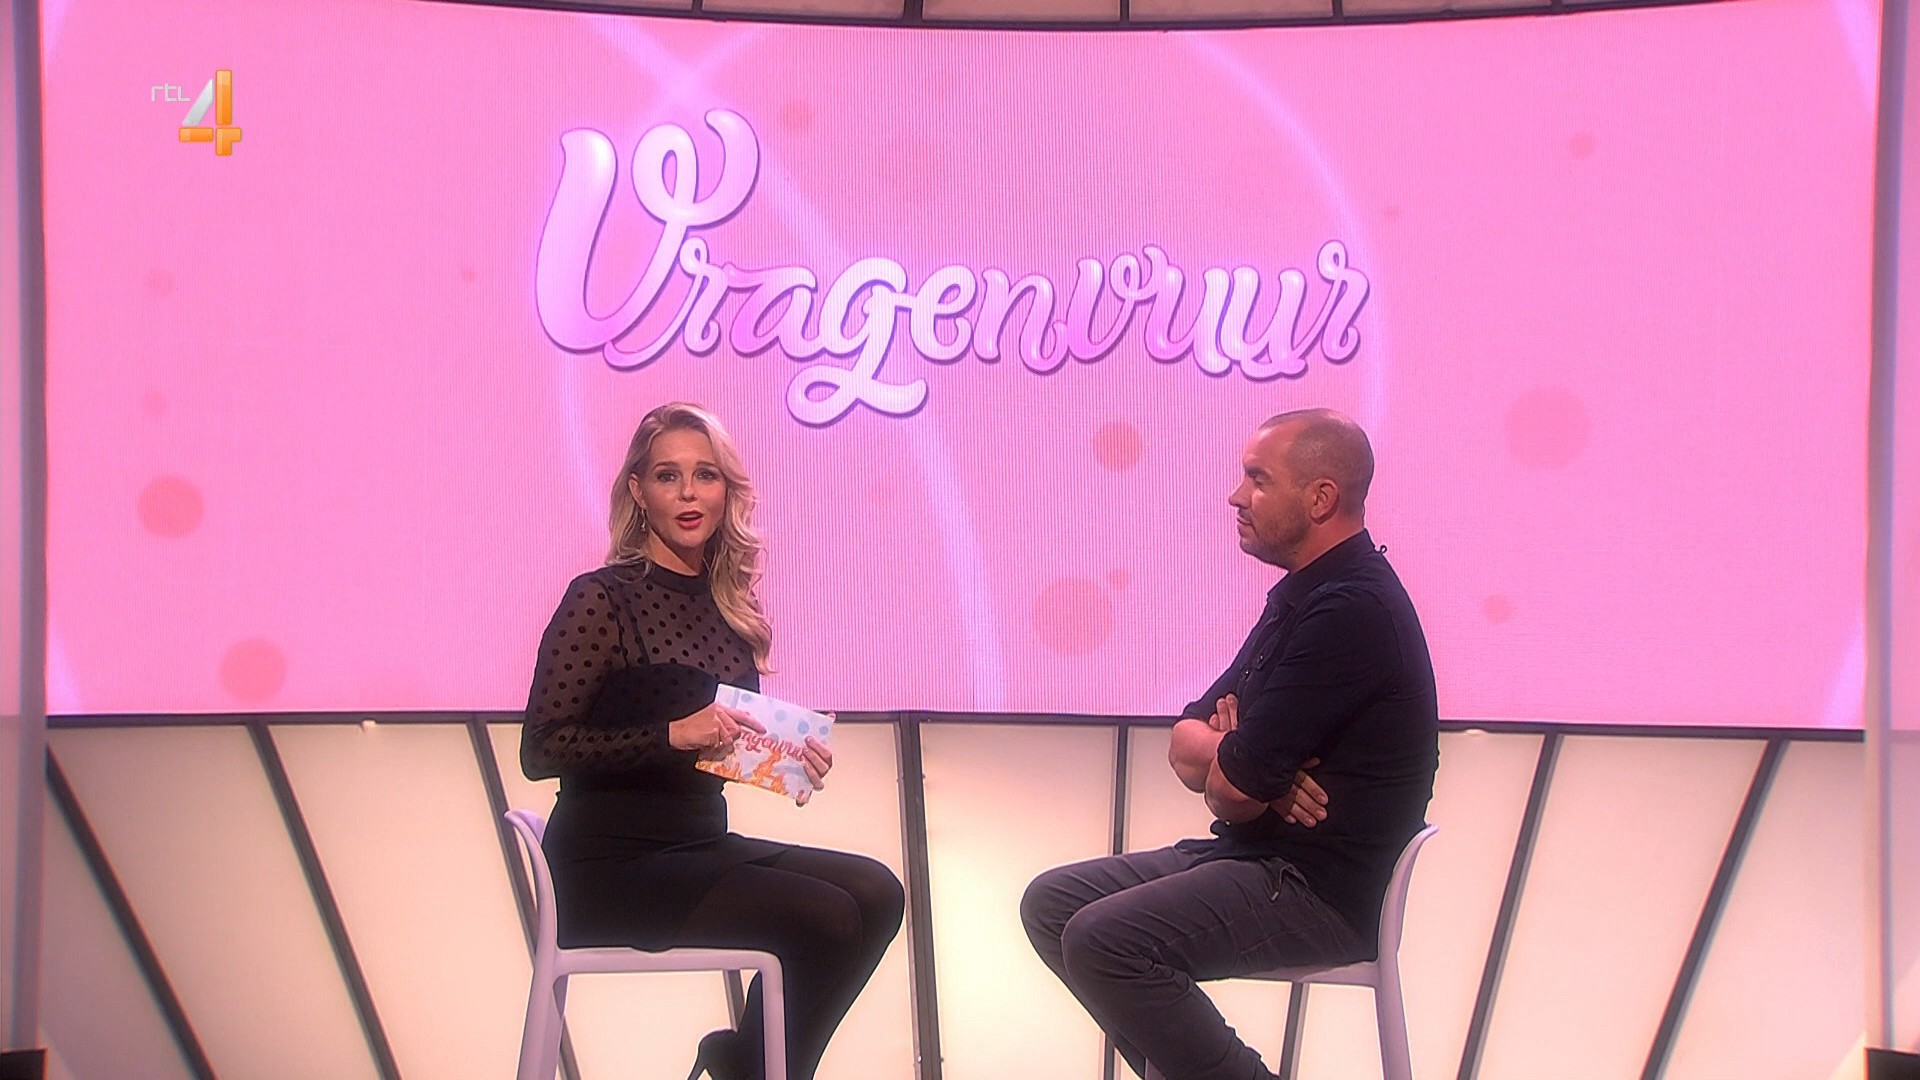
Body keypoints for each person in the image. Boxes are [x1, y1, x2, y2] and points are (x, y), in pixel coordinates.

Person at [1020, 408, 1439, 1080]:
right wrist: (1247, 757)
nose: (1236, 497)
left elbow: (1231, 792)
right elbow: (1187, 741)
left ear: (1320, 498)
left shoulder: (1351, 609)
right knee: (1053, 905)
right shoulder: (1303, 595)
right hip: (1254, 856)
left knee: (1106, 939)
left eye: (1258, 480)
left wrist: (1244, 764)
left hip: (1318, 889)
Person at [521, 402, 904, 1080]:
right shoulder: (601, 598)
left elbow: (715, 749)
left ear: (727, 491)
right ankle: (754, 1070)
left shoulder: (729, 610)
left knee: (877, 893)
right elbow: (542, 748)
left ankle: (745, 1064)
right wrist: (669, 734)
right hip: (608, 867)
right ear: (640, 492)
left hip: (700, 846)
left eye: (705, 475)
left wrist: (787, 760)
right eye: (668, 476)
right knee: (826, 917)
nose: (689, 493)